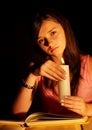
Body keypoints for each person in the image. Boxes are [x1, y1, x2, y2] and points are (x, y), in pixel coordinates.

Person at [13, 8, 92, 119]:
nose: (49, 43)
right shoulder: (37, 68)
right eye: (41, 40)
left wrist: (87, 108)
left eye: (53, 33)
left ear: (64, 27)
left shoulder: (88, 63)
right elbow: (18, 113)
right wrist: (32, 74)